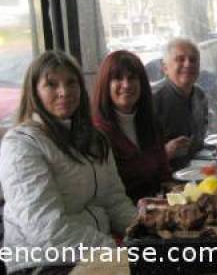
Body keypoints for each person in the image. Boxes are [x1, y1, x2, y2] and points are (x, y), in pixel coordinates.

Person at [0, 51, 136, 275]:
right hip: (43, 262)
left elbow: (114, 200)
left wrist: (146, 230)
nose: (64, 92)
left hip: (95, 250)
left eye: (71, 82)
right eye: (51, 85)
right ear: (34, 92)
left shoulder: (95, 139)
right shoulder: (21, 145)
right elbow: (47, 231)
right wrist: (113, 249)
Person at [92, 50, 171, 203]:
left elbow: (164, 175)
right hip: (125, 216)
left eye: (132, 77)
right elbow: (105, 195)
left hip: (158, 209)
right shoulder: (97, 133)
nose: (126, 85)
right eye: (117, 78)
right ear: (105, 85)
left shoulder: (152, 124)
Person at [153, 38, 208, 170]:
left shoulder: (200, 95)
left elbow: (199, 143)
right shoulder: (153, 100)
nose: (188, 64)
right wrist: (165, 152)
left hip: (197, 173)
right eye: (180, 59)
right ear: (165, 67)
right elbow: (139, 158)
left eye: (193, 60)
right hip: (165, 179)